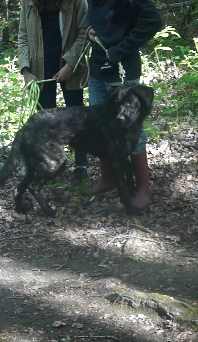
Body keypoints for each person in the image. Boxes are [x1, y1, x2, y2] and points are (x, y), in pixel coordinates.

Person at [82, 0, 162, 209]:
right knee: (100, 127)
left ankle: (143, 188)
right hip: (98, 70)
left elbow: (153, 21)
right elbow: (103, 23)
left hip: (123, 71)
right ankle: (107, 179)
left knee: (131, 131)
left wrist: (122, 48)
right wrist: (93, 31)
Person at [18, 0, 90, 186]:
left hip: (71, 69)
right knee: (45, 121)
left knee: (77, 118)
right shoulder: (28, 3)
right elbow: (23, 36)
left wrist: (70, 64)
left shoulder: (76, 2)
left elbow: (84, 32)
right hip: (39, 70)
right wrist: (26, 70)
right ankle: (50, 166)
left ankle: (81, 166)